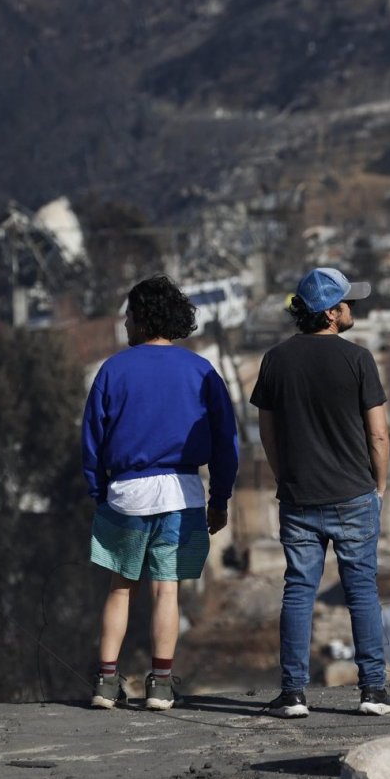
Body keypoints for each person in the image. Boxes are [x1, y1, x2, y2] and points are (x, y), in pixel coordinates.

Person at [83, 275, 238, 711]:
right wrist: (219, 498)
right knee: (165, 590)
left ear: (142, 318)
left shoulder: (113, 369)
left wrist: (98, 492)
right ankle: (162, 684)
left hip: (126, 494)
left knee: (120, 587)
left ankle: (106, 682)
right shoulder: (201, 369)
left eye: (128, 315)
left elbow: (92, 440)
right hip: (181, 493)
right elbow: (227, 441)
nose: (125, 324)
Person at [251, 266, 390, 718]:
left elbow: (267, 436)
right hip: (354, 494)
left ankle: (293, 693)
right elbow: (378, 436)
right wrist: (380, 486)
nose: (353, 309)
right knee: (362, 592)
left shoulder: (275, 360)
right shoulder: (358, 360)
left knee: (297, 591)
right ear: (331, 314)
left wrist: (284, 478)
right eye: (347, 303)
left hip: (298, 497)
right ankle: (373, 690)